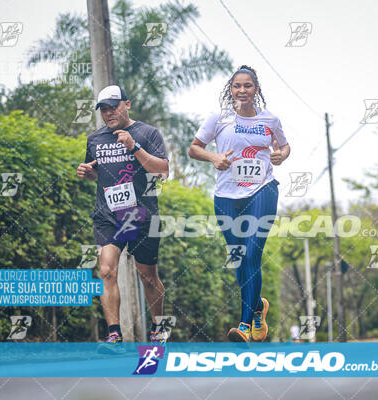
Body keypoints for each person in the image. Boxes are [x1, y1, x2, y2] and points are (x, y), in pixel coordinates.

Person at [188, 65, 290, 342]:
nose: (242, 91)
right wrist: (213, 158)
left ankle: (244, 325)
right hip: (225, 197)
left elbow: (284, 145)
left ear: (256, 89)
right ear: (230, 90)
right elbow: (194, 148)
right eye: (237, 86)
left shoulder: (270, 119)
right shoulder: (219, 118)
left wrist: (281, 155)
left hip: (262, 190)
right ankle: (258, 307)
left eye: (247, 86)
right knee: (238, 258)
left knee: (251, 254)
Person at [77, 85, 170, 352]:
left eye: (113, 107)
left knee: (147, 275)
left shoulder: (148, 133)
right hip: (109, 216)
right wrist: (88, 172)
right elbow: (98, 173)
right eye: (103, 109)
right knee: (105, 270)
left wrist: (134, 146)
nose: (108, 113)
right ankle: (114, 335)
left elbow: (162, 171)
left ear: (126, 105)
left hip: (142, 215)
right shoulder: (95, 140)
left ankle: (157, 327)